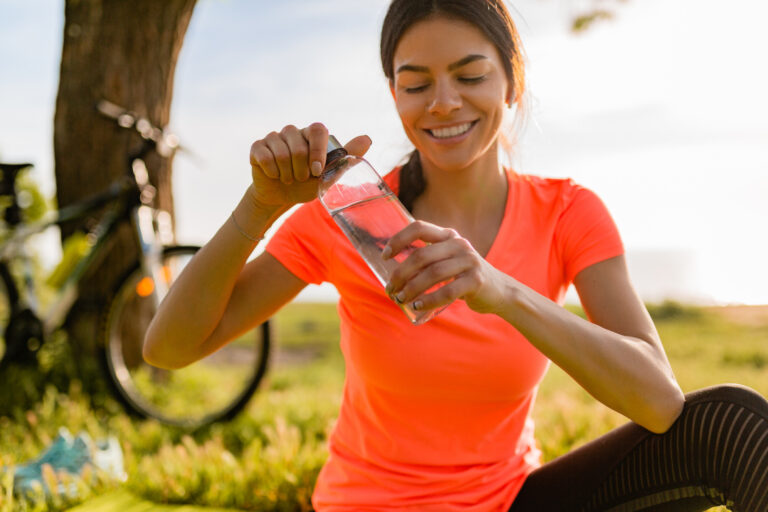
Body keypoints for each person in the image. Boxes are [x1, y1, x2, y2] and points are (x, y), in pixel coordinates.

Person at [143, 0, 768, 510]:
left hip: (512, 500)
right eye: (417, 84)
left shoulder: (567, 213)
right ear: (394, 95)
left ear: (512, 83)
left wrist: (501, 290)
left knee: (731, 425)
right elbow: (168, 348)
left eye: (470, 76)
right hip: (370, 506)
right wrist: (259, 206)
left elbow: (661, 404)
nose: (443, 102)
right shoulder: (350, 218)